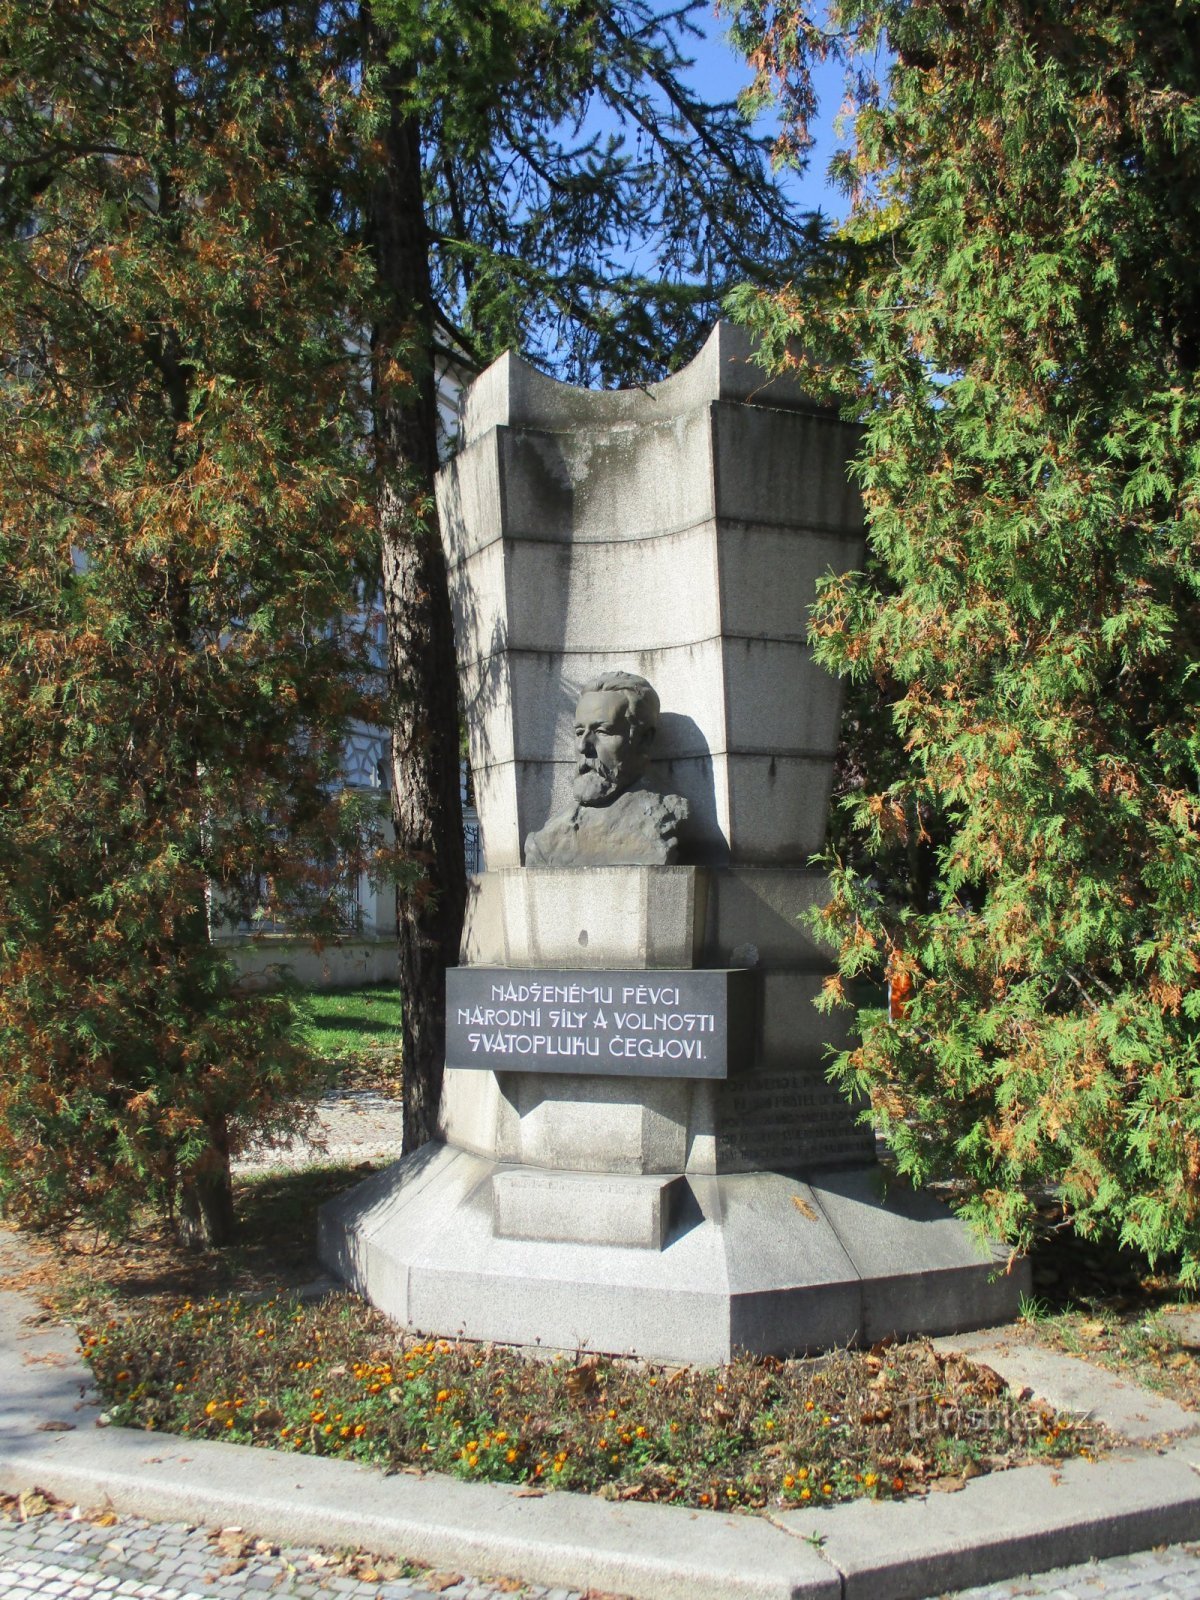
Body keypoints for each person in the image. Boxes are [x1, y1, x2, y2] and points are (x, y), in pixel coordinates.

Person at [524, 670, 688, 867]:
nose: (582, 746)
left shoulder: (663, 817)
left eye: (602, 731)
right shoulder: (545, 841)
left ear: (644, 739)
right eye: (579, 732)